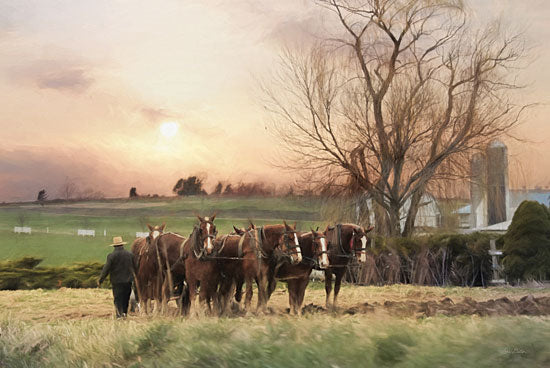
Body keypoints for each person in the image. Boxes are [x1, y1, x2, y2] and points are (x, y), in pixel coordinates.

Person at [98, 236, 136, 318]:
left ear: (114, 246)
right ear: (122, 245)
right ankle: (125, 314)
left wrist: (101, 280)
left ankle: (119, 315)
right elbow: (135, 267)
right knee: (126, 298)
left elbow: (106, 269)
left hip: (116, 282)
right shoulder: (130, 255)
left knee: (118, 299)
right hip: (128, 281)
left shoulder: (111, 256)